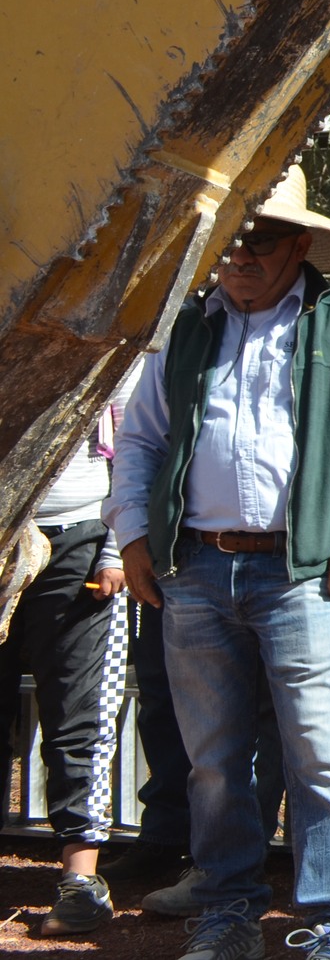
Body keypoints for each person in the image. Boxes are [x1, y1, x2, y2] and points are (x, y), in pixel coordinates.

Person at [109, 166, 330, 960]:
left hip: (306, 571)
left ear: (298, 247)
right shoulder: (186, 327)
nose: (242, 254)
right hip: (196, 568)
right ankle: (227, 912)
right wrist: (133, 537)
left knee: (318, 751)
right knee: (212, 760)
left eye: (261, 239)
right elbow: (141, 441)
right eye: (231, 240)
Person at [3, 365, 138, 936]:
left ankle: (81, 881)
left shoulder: (118, 335)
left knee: (79, 713)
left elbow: (136, 448)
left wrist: (116, 548)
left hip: (79, 538)